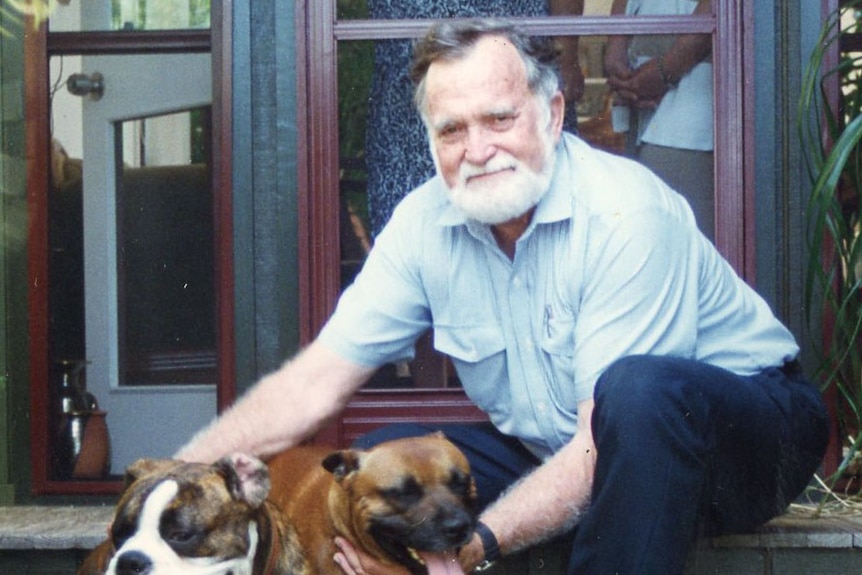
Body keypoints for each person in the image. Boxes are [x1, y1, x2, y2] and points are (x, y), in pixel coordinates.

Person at [178, 19, 829, 575]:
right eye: (451, 130)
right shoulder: (421, 223)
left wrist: (474, 545)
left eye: (498, 118)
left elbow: (600, 444)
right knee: (379, 465)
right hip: (563, 443)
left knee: (636, 396)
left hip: (748, 436)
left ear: (550, 113)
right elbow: (313, 384)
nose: (478, 150)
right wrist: (175, 475)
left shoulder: (627, 212)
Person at [364, 0, 585, 238]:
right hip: (405, 89)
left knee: (549, 228)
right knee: (414, 233)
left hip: (514, 64)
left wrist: (567, 51)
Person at [605, 0, 715, 239]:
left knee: (674, 243)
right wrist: (616, 42)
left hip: (687, 105)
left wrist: (667, 70)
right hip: (641, 103)